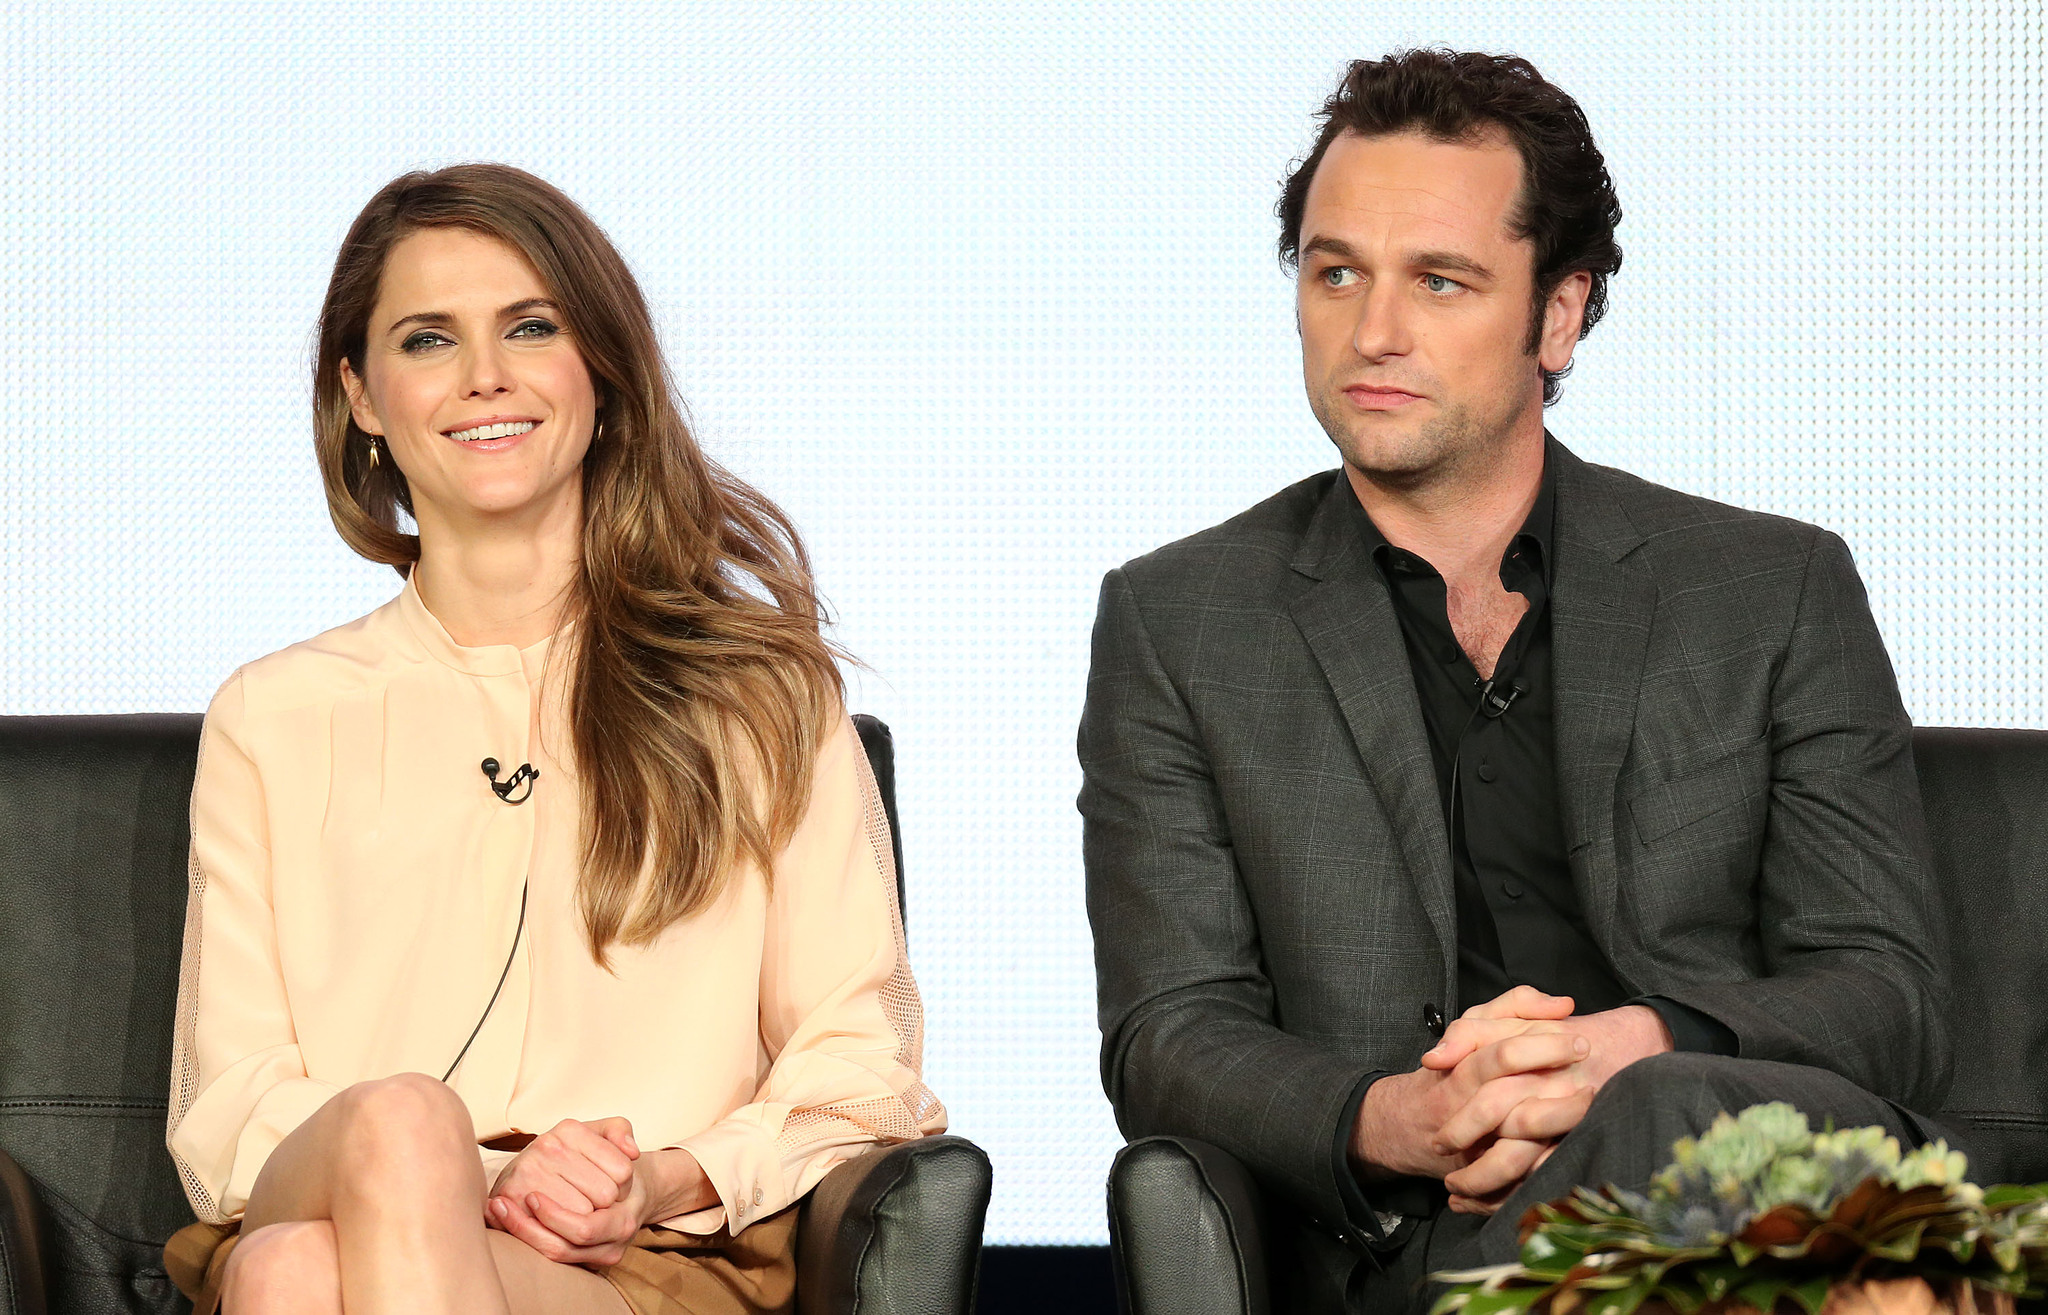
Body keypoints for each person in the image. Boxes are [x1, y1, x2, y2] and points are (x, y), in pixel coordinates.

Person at [1078, 49, 1954, 1314]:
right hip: (1424, 1245)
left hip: (1749, 1190)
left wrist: (1632, 1053)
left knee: (1669, 1119)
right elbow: (1168, 1034)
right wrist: (1402, 1116)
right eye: (1335, 273)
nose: (1372, 332)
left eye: (1440, 281)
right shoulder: (1179, 619)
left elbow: (1887, 998)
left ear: (1556, 313)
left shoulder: (1770, 588)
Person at [161, 163, 946, 1315]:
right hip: (336, 1192)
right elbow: (230, 1107)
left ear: (600, 373)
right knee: (391, 1130)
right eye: (427, 340)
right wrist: (460, 1174)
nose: (484, 378)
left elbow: (862, 1070)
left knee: (293, 1273)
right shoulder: (273, 714)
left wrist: (655, 1176)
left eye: (530, 327)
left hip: (647, 1253)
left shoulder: (759, 696)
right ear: (363, 395)